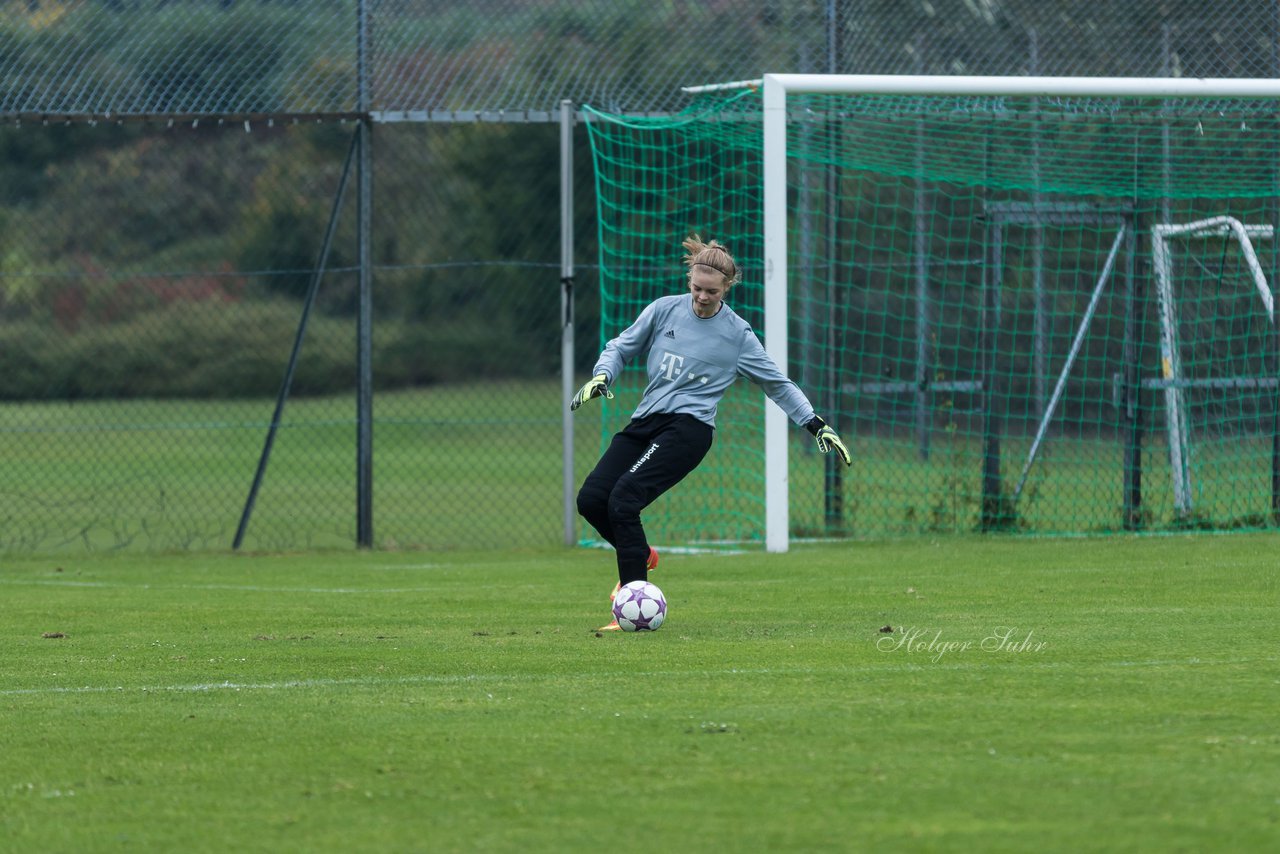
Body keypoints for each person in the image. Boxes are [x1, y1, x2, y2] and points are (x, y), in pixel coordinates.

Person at [571, 234, 852, 631]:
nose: (702, 297)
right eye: (697, 288)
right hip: (646, 421)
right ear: (690, 279)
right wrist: (603, 373)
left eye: (712, 292)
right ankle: (639, 553)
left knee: (624, 499)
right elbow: (620, 347)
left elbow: (778, 384)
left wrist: (814, 423)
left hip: (689, 430)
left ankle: (635, 604)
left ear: (727, 288)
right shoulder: (664, 310)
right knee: (592, 499)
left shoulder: (737, 335)